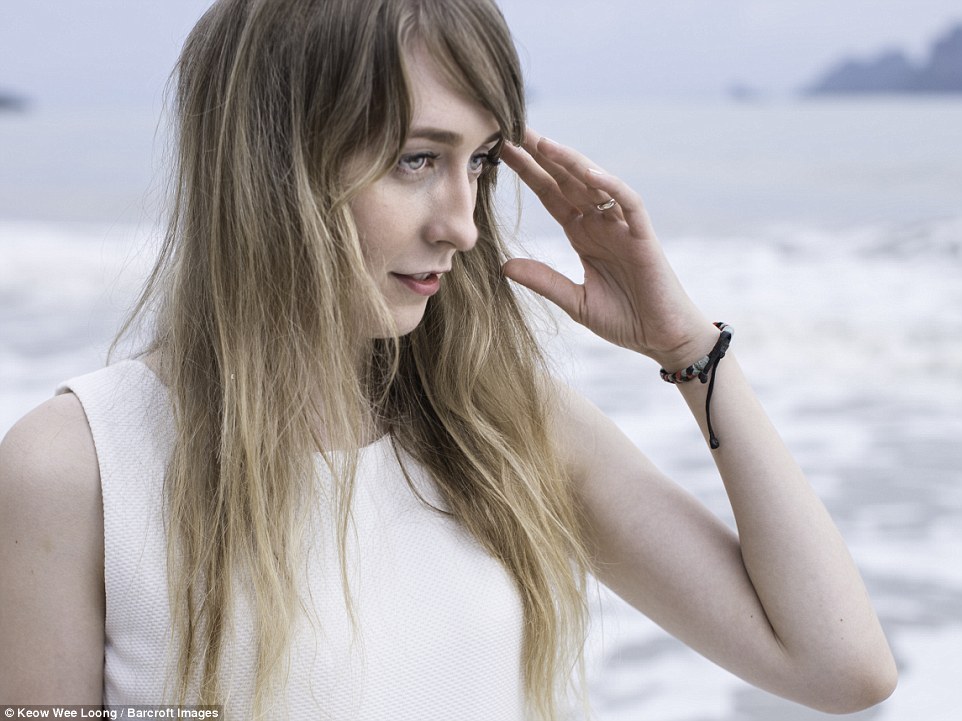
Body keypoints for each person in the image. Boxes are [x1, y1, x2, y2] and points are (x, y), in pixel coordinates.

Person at [0, 0, 897, 718]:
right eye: (417, 159)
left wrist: (689, 350)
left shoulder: (502, 424)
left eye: (480, 164)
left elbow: (839, 665)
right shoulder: (80, 467)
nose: (463, 225)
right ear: (272, 164)